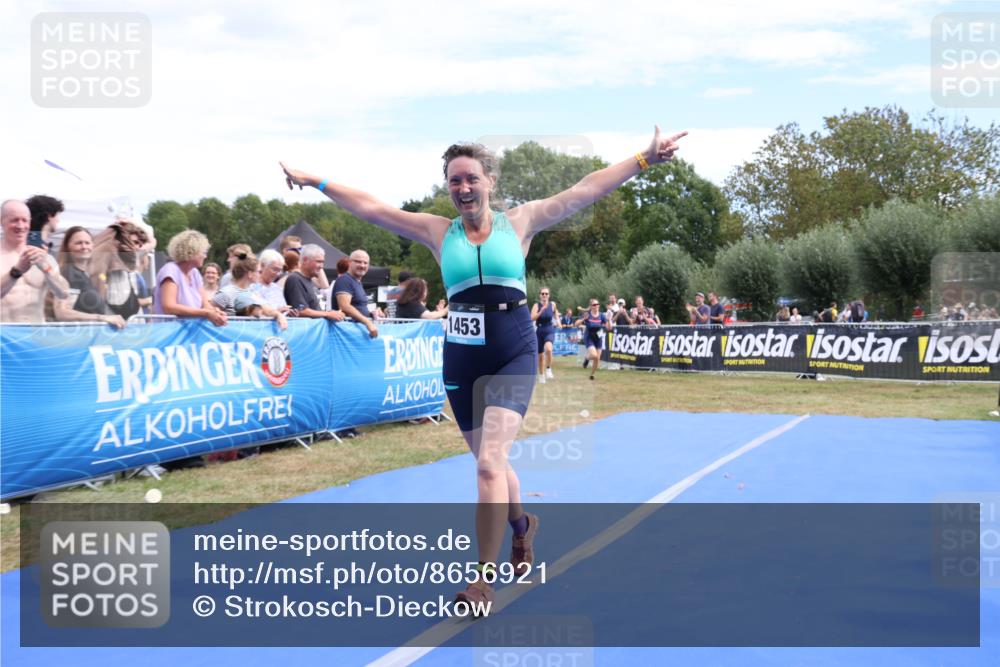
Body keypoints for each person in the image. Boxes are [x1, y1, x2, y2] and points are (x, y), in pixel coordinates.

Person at [280, 124, 687, 610]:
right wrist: (313, 180)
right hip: (463, 357)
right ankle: (521, 525)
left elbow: (586, 188)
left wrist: (644, 160)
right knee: (490, 463)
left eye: (471, 178)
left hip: (512, 349)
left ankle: (482, 580)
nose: (463, 189)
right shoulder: (437, 231)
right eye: (454, 181)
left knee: (491, 462)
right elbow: (372, 207)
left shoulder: (521, 222)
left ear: (490, 180)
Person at [1, 199, 69, 322]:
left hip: (34, 335)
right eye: (14, 220)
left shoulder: (42, 256)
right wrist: (16, 272)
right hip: (4, 336)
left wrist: (47, 269)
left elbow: (64, 294)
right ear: (2, 221)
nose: (21, 226)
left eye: (24, 220)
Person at [51, 226, 126, 328]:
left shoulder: (82, 274)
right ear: (68, 247)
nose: (84, 247)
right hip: (77, 338)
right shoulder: (69, 273)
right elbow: (62, 313)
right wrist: (103, 318)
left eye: (87, 243)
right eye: (78, 243)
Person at [154, 230, 227, 326]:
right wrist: (206, 313)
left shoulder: (195, 273)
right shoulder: (170, 270)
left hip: (189, 332)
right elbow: (169, 307)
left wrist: (216, 312)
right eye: (203, 252)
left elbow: (205, 304)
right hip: (170, 332)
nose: (205, 256)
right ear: (191, 252)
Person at [212, 253, 287, 330]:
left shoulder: (251, 292)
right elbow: (210, 315)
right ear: (250, 274)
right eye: (259, 272)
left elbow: (267, 310)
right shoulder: (226, 293)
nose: (260, 275)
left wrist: (279, 315)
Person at [283, 244, 345, 322]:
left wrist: (330, 313)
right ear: (305, 260)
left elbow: (325, 286)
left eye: (323, 262)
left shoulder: (309, 280)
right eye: (318, 261)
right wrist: (327, 314)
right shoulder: (295, 279)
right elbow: (301, 311)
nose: (321, 266)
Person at [333, 249, 378, 338]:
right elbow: (344, 306)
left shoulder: (357, 282)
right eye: (358, 262)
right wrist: (367, 322)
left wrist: (371, 314)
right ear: (349, 262)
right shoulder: (344, 280)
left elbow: (358, 307)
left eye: (365, 263)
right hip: (346, 335)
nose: (362, 265)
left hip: (356, 335)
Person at [574, 298, 612, 381]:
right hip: (589, 337)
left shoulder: (602, 315)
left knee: (597, 358)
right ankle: (587, 358)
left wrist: (609, 320)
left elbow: (609, 328)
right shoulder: (587, 314)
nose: (596, 306)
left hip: (598, 338)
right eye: (594, 305)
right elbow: (576, 324)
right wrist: (583, 319)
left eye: (597, 304)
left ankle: (592, 374)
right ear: (591, 306)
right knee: (594, 355)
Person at [531, 287, 559, 383]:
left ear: (549, 295)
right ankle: (541, 375)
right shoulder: (536, 305)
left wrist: (558, 322)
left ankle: (548, 368)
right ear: (540, 295)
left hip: (549, 329)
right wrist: (541, 311)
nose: (544, 295)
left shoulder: (552, 304)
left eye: (546, 294)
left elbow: (556, 314)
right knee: (541, 356)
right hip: (539, 330)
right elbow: (532, 318)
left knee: (549, 349)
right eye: (542, 293)